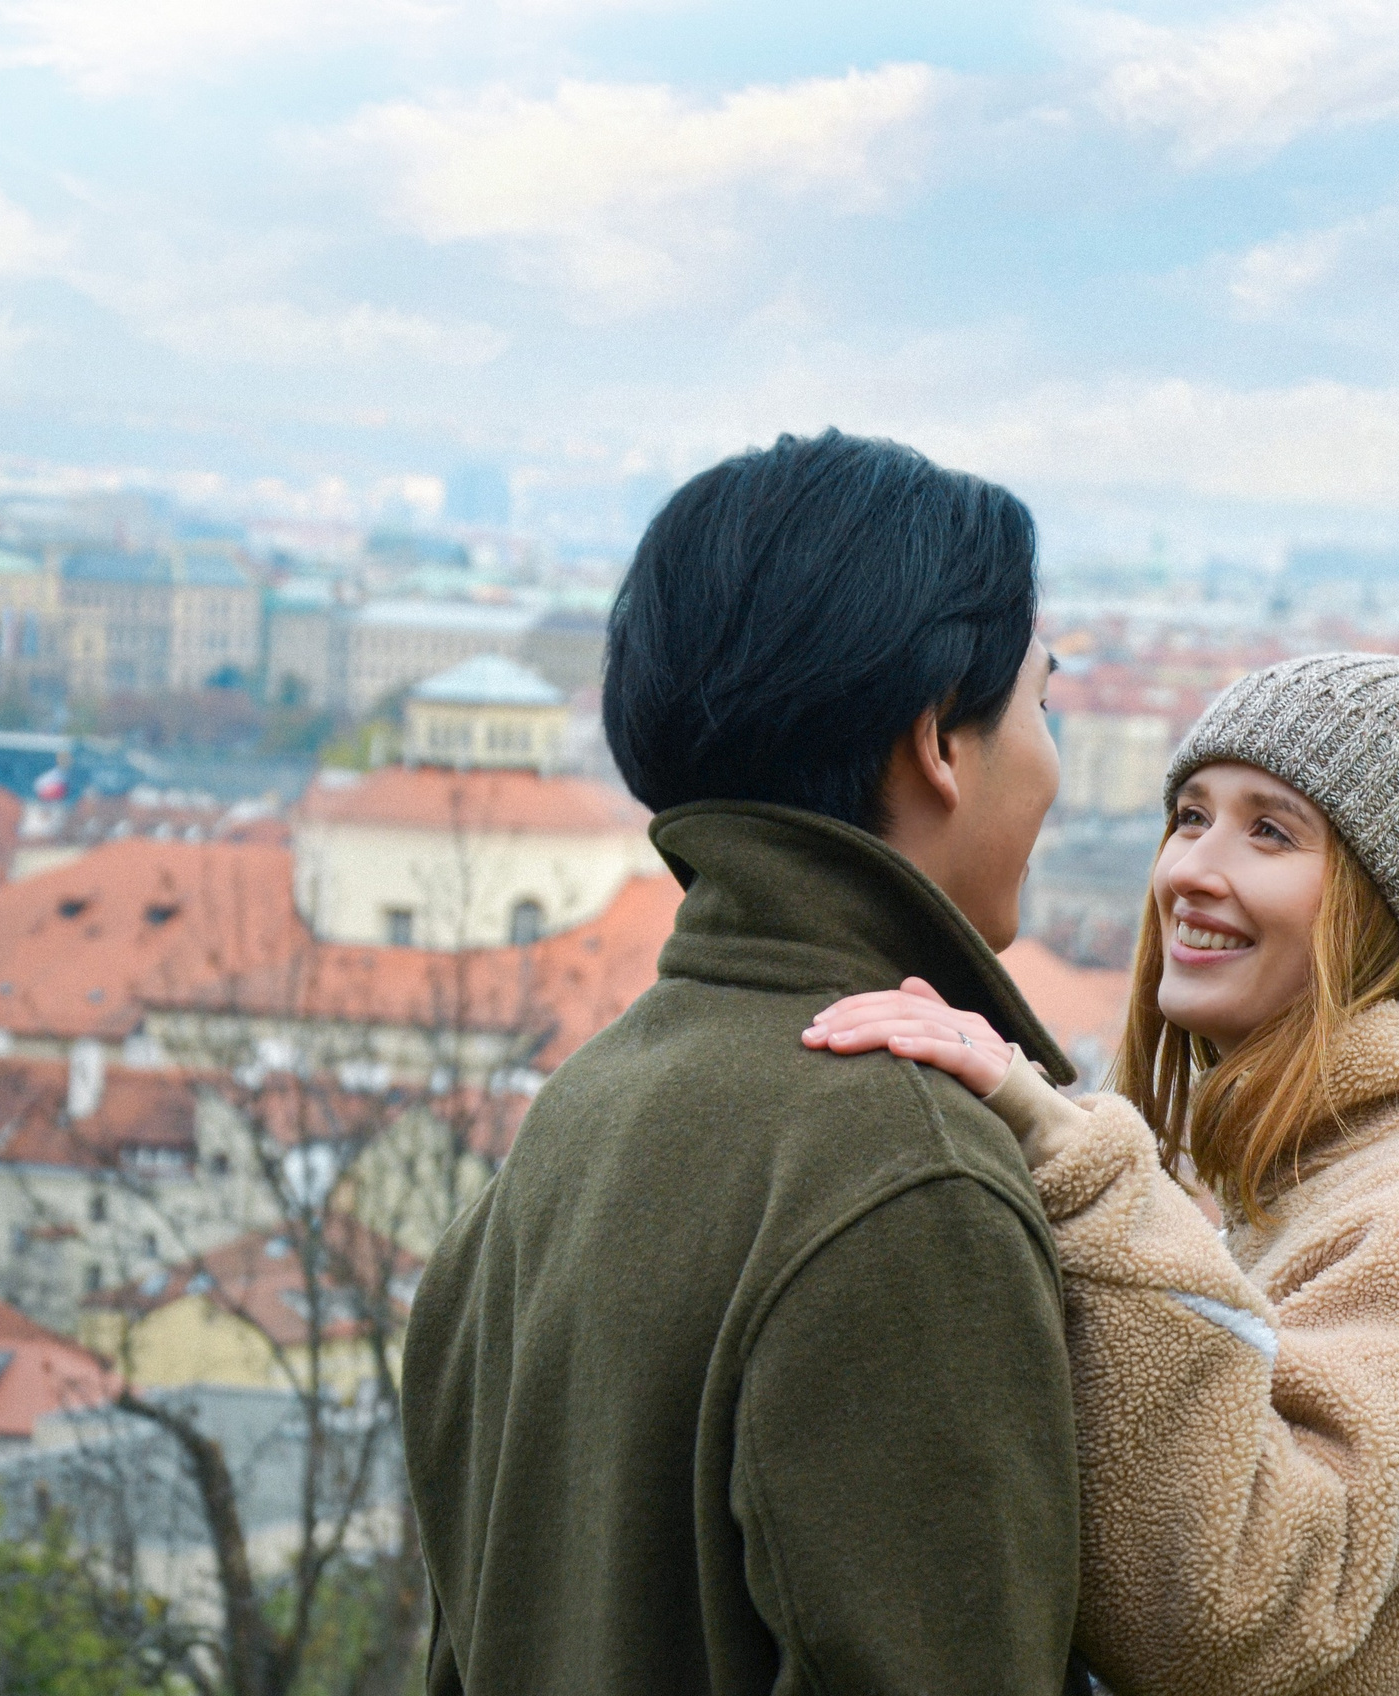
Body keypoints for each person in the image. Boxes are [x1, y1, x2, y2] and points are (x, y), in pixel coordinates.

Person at [807, 652, 1399, 1696]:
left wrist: (1077, 1168)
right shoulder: (1313, 1166)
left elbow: (1238, 1611)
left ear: (1383, 907)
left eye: (1270, 830)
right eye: (1190, 815)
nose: (1190, 871)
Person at [402, 430, 1090, 1695]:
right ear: (939, 737)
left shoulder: (578, 1113)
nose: (1054, 761)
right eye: (1044, 700)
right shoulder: (906, 1178)